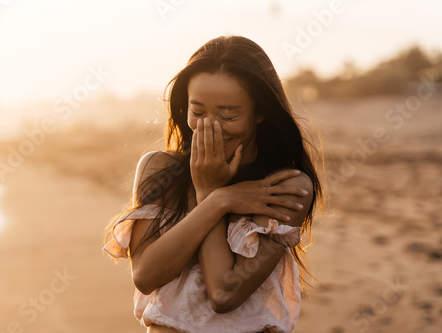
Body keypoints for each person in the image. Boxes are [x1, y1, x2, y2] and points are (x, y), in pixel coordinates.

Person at [103, 35, 323, 333]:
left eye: (228, 114)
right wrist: (219, 200)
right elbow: (145, 275)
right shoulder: (159, 169)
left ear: (260, 112)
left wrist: (207, 192)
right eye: (198, 112)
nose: (210, 126)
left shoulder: (284, 186)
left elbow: (224, 292)